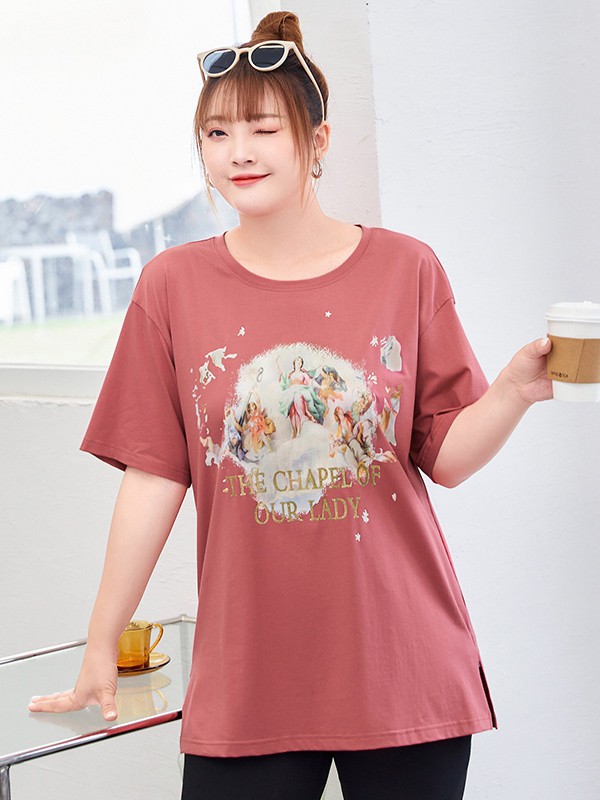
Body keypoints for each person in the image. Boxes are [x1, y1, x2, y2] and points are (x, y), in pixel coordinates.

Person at [28, 10, 553, 800]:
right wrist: (101, 641)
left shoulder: (406, 269)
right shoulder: (172, 287)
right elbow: (154, 476)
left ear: (318, 140)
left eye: (263, 129)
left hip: (402, 665)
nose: (237, 152)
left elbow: (444, 458)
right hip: (250, 677)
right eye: (216, 133)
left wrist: (512, 390)